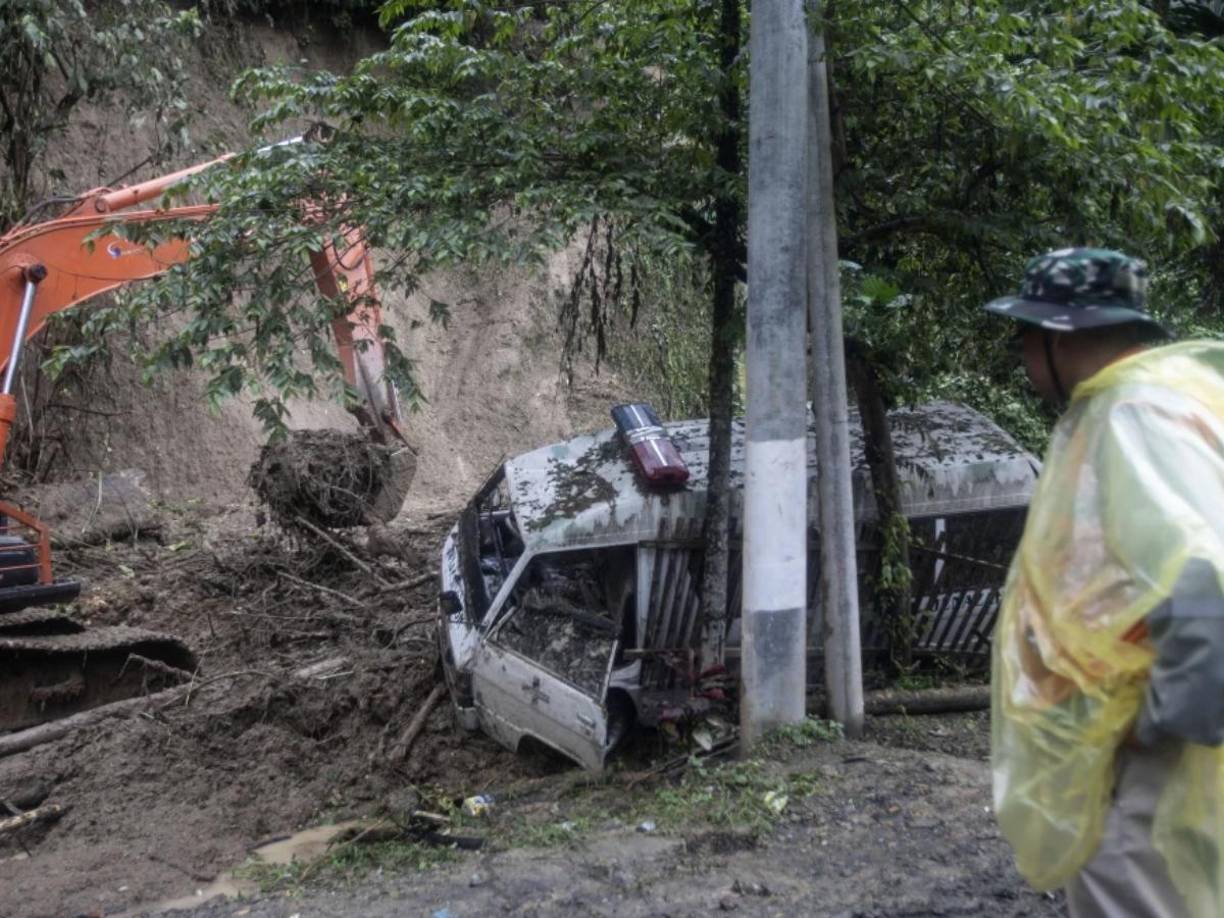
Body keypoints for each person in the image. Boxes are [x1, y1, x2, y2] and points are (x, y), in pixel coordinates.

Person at [984, 247, 1224, 917]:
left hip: (1149, 749)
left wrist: (1162, 719)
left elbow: (1203, 575)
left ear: (1055, 338)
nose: (1024, 360)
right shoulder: (1175, 404)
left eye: (1025, 340)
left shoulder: (1132, 417)